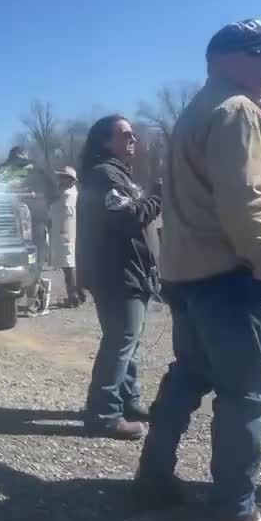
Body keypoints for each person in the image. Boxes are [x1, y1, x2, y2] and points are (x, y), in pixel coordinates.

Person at [134, 19, 261, 521]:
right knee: (245, 393)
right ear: (221, 58)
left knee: (188, 375)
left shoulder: (197, 110)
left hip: (188, 272)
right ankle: (235, 510)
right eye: (259, 51)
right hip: (229, 275)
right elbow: (245, 198)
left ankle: (152, 480)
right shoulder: (238, 111)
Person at [77, 115, 160, 440]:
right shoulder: (104, 175)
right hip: (116, 274)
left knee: (130, 342)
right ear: (104, 141)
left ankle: (129, 401)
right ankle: (103, 414)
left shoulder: (117, 174)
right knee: (120, 343)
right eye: (125, 134)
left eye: (134, 135)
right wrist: (158, 196)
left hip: (129, 272)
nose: (133, 139)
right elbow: (129, 217)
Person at [0, 146, 59, 314]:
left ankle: (6, 298)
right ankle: (32, 301)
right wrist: (41, 201)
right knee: (35, 257)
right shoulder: (38, 168)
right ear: (25, 155)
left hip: (4, 221)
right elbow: (56, 192)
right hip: (35, 217)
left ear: (10, 156)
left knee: (5, 258)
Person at [50, 167, 84, 308]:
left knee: (68, 266)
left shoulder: (67, 194)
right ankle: (78, 293)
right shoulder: (69, 193)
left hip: (67, 233)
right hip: (65, 233)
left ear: (70, 180)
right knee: (69, 265)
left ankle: (73, 296)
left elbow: (54, 209)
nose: (60, 179)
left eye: (63, 177)